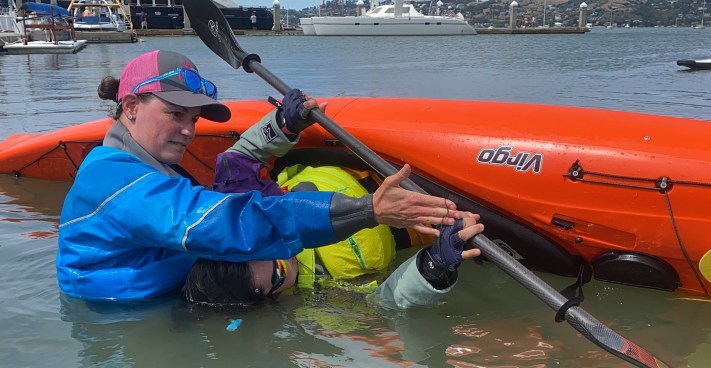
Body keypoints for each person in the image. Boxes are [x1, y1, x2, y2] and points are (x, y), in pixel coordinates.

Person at [56, 50, 465, 302]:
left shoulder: (149, 170)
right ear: (130, 106)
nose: (189, 130)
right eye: (175, 114)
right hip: (122, 314)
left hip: (172, 297)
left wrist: (283, 124)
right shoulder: (112, 180)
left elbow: (236, 164)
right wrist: (369, 212)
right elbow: (217, 222)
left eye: (193, 118)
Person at [181, 89, 484, 309]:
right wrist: (436, 266)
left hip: (358, 169)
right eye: (278, 273)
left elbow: (237, 158)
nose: (282, 253)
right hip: (405, 224)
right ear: (273, 297)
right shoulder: (320, 296)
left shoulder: (241, 217)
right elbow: (386, 303)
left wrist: (284, 124)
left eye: (265, 245)